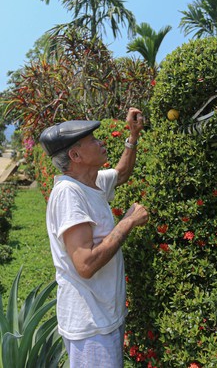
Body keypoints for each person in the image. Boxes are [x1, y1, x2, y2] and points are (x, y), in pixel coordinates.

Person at [39, 107, 149, 368]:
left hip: (104, 317)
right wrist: (128, 222)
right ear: (75, 155)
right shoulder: (69, 194)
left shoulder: (91, 182)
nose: (101, 142)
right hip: (90, 325)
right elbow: (85, 264)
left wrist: (132, 137)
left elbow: (121, 173)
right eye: (92, 140)